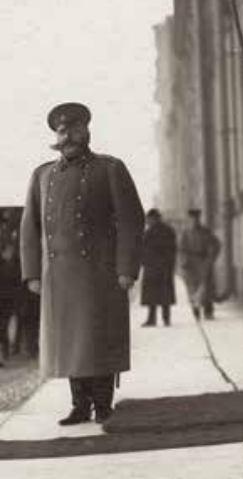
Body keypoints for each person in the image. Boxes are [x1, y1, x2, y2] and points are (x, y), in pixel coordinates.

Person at [20, 102, 144, 425]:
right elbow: (29, 228)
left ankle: (103, 404)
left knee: (97, 338)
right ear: (56, 137)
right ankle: (79, 404)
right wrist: (31, 273)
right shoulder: (42, 175)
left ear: (87, 131)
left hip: (99, 272)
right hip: (58, 275)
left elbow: (131, 220)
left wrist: (126, 269)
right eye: (63, 131)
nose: (70, 136)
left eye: (76, 129)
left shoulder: (110, 168)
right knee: (69, 342)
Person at [178, 208, 222, 320]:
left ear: (199, 219)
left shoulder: (206, 231)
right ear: (189, 219)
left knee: (206, 287)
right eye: (192, 219)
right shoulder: (185, 233)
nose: (194, 221)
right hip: (190, 264)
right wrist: (183, 261)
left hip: (204, 262)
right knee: (192, 288)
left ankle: (208, 311)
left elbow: (217, 244)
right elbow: (181, 248)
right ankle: (196, 311)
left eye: (196, 218)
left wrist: (212, 257)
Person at [140, 209, 177, 327]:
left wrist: (144, 262)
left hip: (153, 267)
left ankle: (152, 319)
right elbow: (173, 250)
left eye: (149, 219)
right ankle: (166, 319)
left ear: (154, 218)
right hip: (164, 267)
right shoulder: (168, 231)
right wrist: (170, 264)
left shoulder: (149, 232)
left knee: (152, 295)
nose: (148, 222)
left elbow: (142, 249)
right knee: (164, 294)